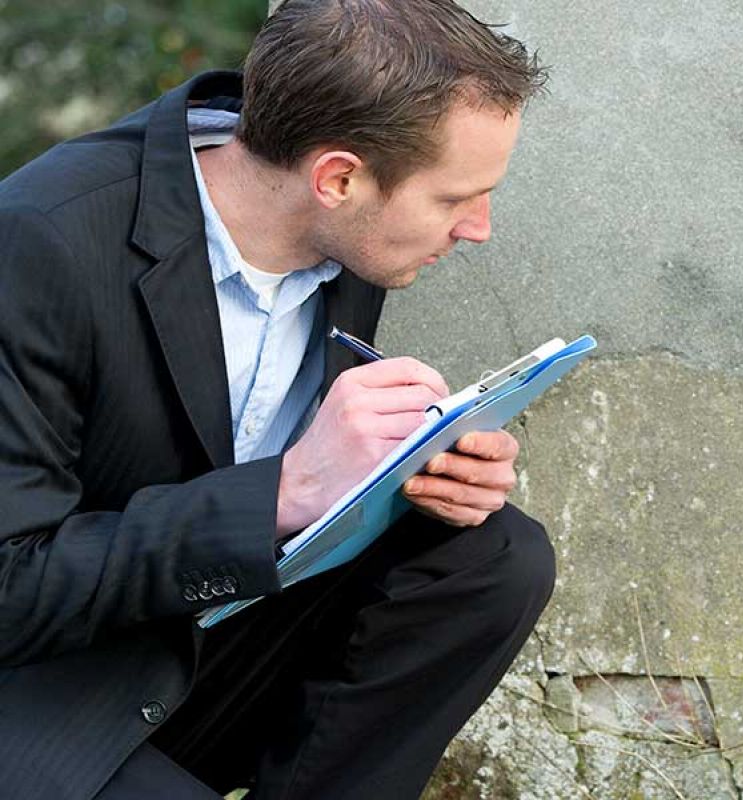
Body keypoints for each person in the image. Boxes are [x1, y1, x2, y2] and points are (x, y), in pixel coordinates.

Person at [0, 1, 554, 798]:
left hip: (193, 642)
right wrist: (285, 492)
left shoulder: (344, 237)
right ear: (338, 178)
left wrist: (415, 471)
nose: (478, 228)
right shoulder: (39, 242)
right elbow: (11, 588)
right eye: (452, 198)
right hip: (39, 685)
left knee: (496, 557)